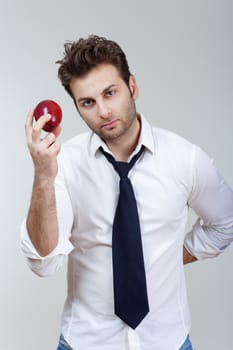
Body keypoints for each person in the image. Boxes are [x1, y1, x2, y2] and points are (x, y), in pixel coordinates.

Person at [21, 35, 233, 350]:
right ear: (77, 108)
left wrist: (170, 258)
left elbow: (225, 222)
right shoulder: (63, 164)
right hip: (85, 342)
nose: (104, 111)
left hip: (167, 341)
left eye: (111, 93)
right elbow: (43, 263)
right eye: (88, 102)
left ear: (132, 87)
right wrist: (42, 176)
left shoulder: (185, 159)